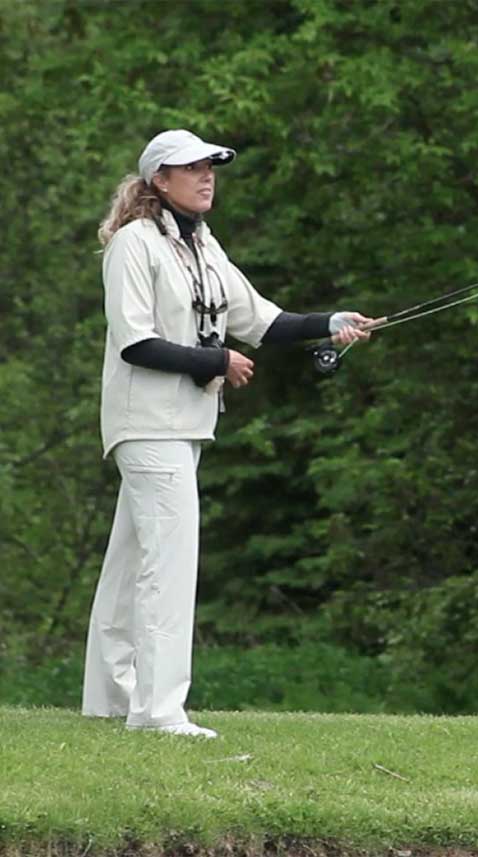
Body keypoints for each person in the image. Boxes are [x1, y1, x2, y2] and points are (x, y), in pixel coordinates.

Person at [82, 129, 374, 738]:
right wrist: (217, 363)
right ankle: (159, 713)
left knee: (132, 559)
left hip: (181, 427)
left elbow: (262, 321)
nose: (207, 176)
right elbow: (135, 342)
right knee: (169, 563)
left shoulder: (205, 246)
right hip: (146, 424)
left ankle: (111, 698)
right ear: (160, 180)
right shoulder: (134, 244)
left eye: (211, 166)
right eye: (192, 168)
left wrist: (331, 323)